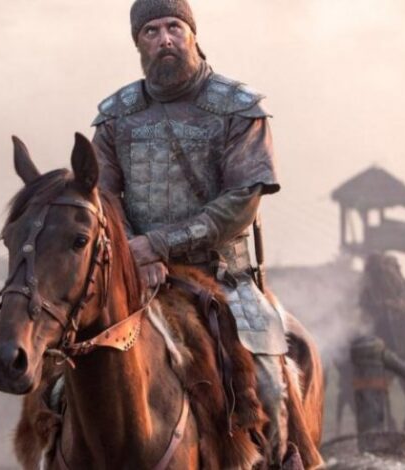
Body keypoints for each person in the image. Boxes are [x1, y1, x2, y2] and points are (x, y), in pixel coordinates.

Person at [91, 1, 299, 466]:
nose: (164, 38)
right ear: (138, 43)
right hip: (139, 278)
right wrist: (135, 255)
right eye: (150, 31)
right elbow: (102, 196)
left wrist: (157, 244)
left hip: (224, 278)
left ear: (192, 34)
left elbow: (242, 201)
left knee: (268, 383)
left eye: (173, 27)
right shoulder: (114, 117)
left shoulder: (238, 107)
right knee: (64, 372)